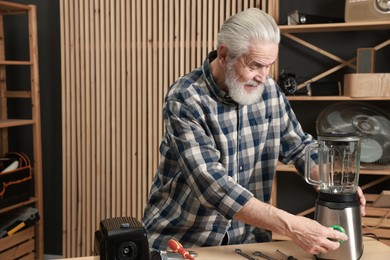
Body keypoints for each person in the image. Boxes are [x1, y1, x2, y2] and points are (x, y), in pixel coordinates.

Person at [142, 8, 366, 255]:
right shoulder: (185, 98)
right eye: (255, 65)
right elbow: (213, 186)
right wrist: (291, 226)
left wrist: (334, 182)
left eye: (268, 65)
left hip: (246, 242)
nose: (263, 77)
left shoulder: (269, 91)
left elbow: (300, 148)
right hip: (183, 240)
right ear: (224, 54)